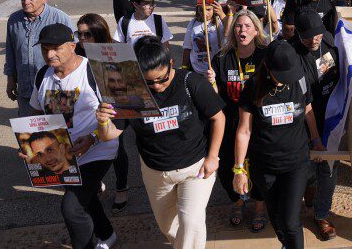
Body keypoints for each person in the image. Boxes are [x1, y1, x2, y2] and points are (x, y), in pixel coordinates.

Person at [96, 36, 225, 249]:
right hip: (155, 172)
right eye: (149, 82)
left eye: (162, 79)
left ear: (171, 64)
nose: (157, 86)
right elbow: (110, 134)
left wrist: (213, 156)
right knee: (168, 226)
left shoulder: (191, 82)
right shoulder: (129, 93)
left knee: (191, 223)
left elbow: (218, 117)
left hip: (195, 168)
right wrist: (102, 122)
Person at [26, 23, 119, 249]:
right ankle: (107, 235)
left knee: (71, 208)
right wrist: (28, 146)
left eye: (56, 48)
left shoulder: (96, 71)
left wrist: (92, 138)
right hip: (64, 156)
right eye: (45, 48)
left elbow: (120, 118)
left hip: (98, 149)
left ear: (73, 46)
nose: (50, 54)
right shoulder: (42, 76)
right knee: (84, 198)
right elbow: (37, 114)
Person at [234, 40, 325, 249]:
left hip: (296, 163)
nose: (285, 81)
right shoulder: (252, 87)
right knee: (276, 218)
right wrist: (238, 169)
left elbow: (309, 111)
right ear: (267, 68)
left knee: (290, 222)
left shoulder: (300, 80)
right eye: (280, 76)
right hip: (265, 166)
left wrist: (317, 140)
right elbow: (244, 130)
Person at [209, 10, 268, 232]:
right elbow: (214, 98)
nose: (242, 30)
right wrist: (212, 84)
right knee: (227, 169)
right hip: (230, 123)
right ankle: (238, 201)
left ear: (256, 29)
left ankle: (260, 206)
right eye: (238, 26)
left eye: (247, 26)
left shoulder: (265, 55)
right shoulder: (222, 58)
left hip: (258, 123)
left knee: (259, 167)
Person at [74, 14, 132, 213]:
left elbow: (127, 87)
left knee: (116, 148)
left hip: (114, 106)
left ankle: (122, 187)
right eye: (79, 34)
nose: (82, 39)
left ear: (98, 33)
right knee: (87, 144)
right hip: (88, 107)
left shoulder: (114, 51)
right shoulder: (77, 54)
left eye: (87, 34)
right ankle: (96, 181)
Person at [290, 11, 341, 240]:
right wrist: (315, 139)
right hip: (305, 119)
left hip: (331, 117)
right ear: (297, 34)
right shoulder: (292, 55)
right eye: (307, 37)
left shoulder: (329, 41)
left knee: (328, 169)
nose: (313, 41)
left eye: (317, 35)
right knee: (308, 168)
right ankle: (309, 189)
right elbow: (305, 103)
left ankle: (321, 215)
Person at [5, 0, 74, 116]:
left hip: (54, 88)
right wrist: (11, 80)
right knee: (31, 133)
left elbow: (73, 52)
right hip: (25, 89)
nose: (25, 2)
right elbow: (11, 52)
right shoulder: (14, 20)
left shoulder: (60, 18)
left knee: (58, 132)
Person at [182, 0, 226, 74]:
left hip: (215, 70)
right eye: (201, 10)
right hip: (196, 69)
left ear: (214, 9)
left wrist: (222, 15)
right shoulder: (192, 23)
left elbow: (229, 32)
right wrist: (184, 67)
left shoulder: (219, 22)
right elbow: (187, 47)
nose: (205, 13)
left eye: (208, 9)